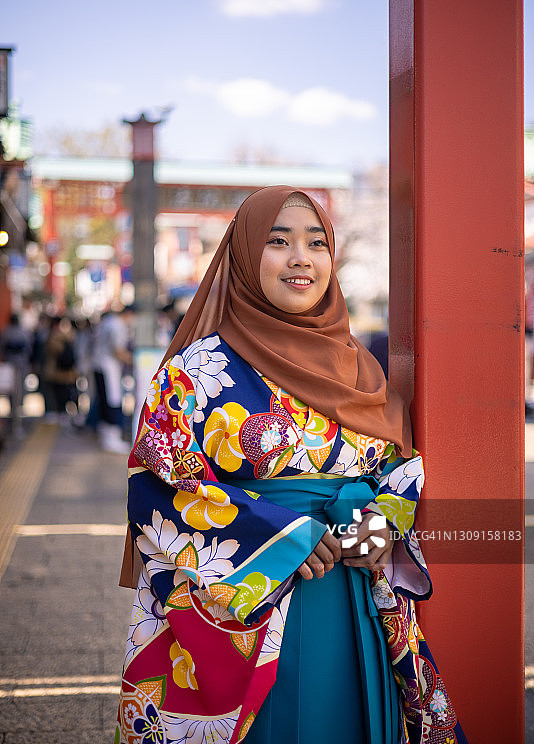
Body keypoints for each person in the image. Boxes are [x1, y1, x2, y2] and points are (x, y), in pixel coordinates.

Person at [116, 187, 467, 744]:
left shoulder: (363, 369)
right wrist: (283, 535)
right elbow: (161, 488)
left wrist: (373, 526)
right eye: (278, 242)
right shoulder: (198, 369)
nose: (301, 257)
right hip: (254, 608)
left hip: (355, 593)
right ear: (244, 257)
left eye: (317, 243)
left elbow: (399, 471)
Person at [92, 306, 135, 454]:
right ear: (129, 314)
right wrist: (136, 360)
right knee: (112, 401)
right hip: (108, 368)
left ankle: (106, 436)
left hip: (100, 366)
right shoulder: (117, 326)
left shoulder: (108, 321)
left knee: (104, 400)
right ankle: (112, 438)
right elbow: (118, 352)